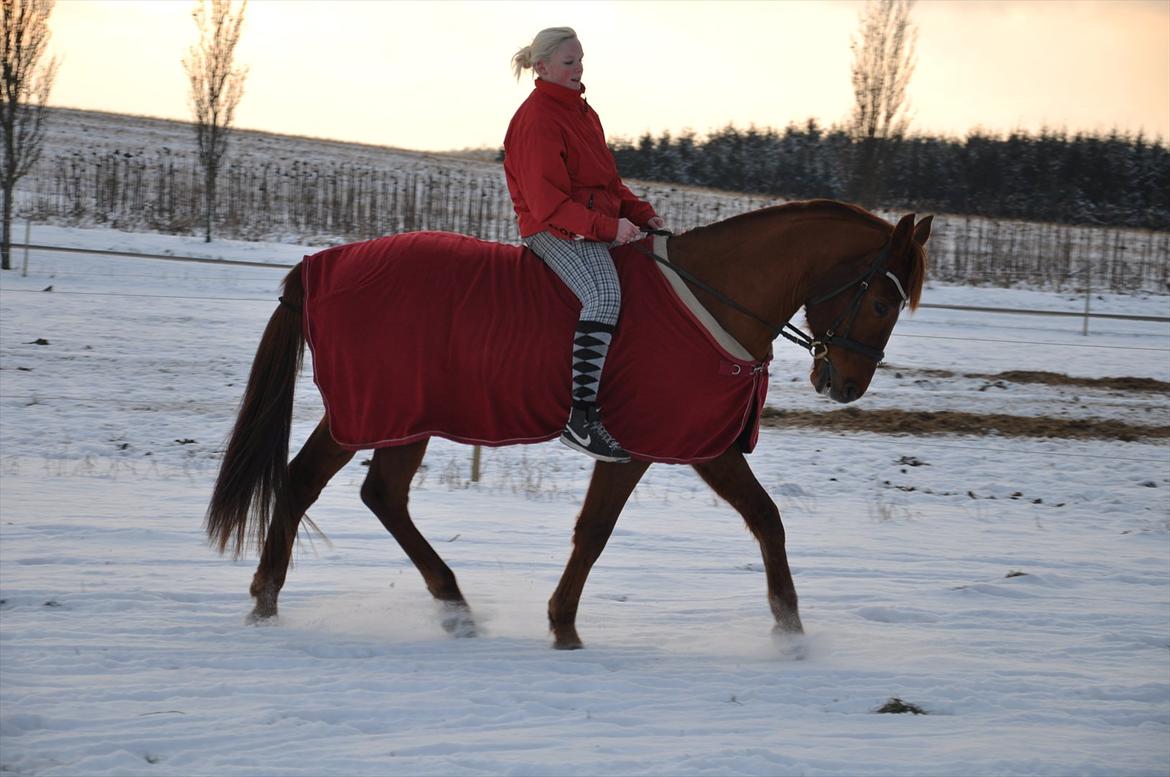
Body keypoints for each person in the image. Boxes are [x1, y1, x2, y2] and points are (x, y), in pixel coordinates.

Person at [504, 26, 666, 463]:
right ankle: (581, 419)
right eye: (569, 63)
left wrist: (639, 213)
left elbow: (608, 183)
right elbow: (548, 203)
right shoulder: (538, 119)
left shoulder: (581, 112)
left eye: (580, 61)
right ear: (542, 67)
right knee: (604, 295)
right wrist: (609, 229)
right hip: (551, 229)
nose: (578, 70)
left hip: (590, 221)